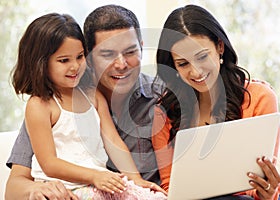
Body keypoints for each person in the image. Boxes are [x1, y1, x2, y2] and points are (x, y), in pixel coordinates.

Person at [5, 5, 165, 199]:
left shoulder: (160, 97)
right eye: (108, 54)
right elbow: (23, 180)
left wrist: (136, 180)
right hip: (73, 189)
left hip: (107, 185)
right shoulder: (42, 106)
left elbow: (113, 141)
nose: (121, 64)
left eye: (78, 57)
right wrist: (37, 190)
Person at [152, 4, 280, 200]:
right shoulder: (164, 112)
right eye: (183, 64)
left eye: (202, 56)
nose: (196, 71)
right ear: (173, 66)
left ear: (220, 47)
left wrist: (266, 192)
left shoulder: (260, 97)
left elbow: (263, 176)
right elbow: (171, 188)